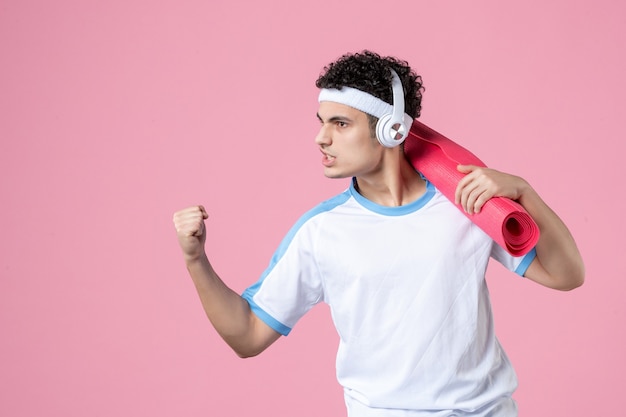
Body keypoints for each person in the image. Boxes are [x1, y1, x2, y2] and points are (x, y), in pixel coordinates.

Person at [173, 50, 584, 417]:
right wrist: (196, 260)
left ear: (391, 130)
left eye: (340, 123)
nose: (321, 137)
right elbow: (247, 335)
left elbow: (566, 275)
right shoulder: (322, 231)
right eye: (321, 122)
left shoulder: (463, 203)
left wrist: (523, 192)